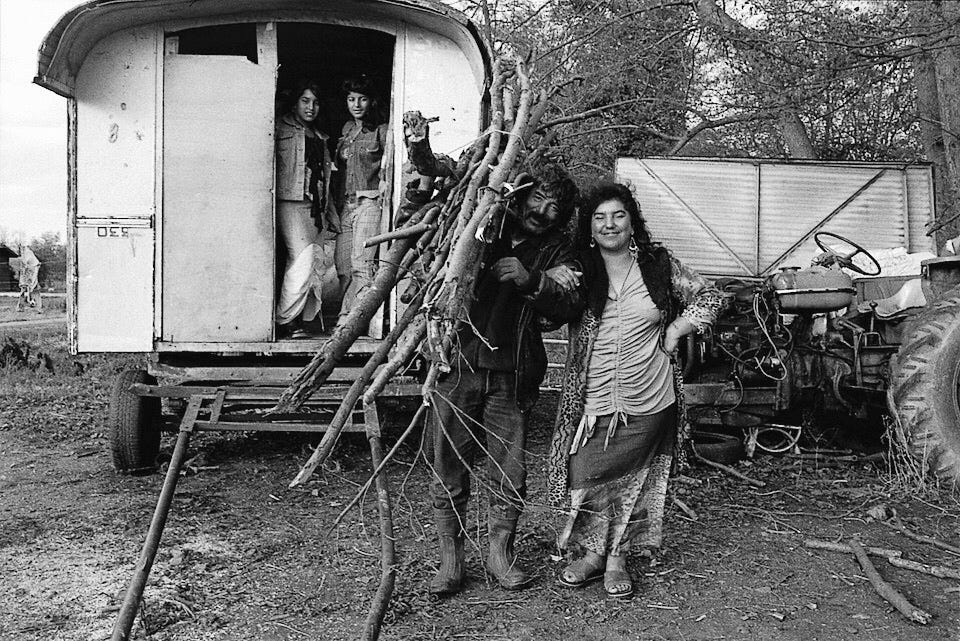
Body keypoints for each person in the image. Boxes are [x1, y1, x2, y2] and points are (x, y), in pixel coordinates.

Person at [545, 182, 726, 599]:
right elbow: (544, 314)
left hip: (650, 389)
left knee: (635, 482)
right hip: (592, 395)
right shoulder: (577, 268)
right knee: (588, 474)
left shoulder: (660, 266)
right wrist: (547, 279)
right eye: (600, 217)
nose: (610, 225)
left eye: (618, 215)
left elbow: (712, 296)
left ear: (632, 222)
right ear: (589, 227)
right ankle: (592, 552)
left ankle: (615, 558)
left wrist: (680, 327)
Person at [422, 160, 585, 596]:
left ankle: (500, 555)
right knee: (448, 464)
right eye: (538, 198)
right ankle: (451, 561)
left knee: (509, 470)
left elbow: (567, 308)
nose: (544, 211)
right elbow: (436, 268)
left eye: (555, 206)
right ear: (521, 194)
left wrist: (533, 279)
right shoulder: (480, 224)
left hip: (512, 374)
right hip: (454, 365)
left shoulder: (557, 252)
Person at [275, 80, 338, 338]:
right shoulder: (279, 126)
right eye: (305, 101)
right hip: (290, 201)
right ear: (295, 102)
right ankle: (285, 318)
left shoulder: (320, 136)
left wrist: (330, 211)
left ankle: (300, 319)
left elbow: (325, 179)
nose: (311, 107)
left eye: (315, 102)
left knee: (312, 263)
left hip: (315, 205)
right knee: (301, 258)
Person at [334, 76, 389, 321]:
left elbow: (390, 164)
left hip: (369, 202)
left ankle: (351, 319)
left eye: (362, 99)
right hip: (347, 203)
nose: (356, 104)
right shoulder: (347, 129)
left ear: (372, 102)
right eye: (351, 99)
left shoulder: (382, 130)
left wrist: (386, 180)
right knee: (343, 267)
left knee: (362, 265)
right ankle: (350, 314)